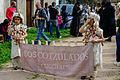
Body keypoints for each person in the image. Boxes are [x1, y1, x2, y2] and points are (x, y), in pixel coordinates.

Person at [79, 12, 104, 79]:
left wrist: (96, 40)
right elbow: (80, 31)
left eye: (90, 19)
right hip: (87, 46)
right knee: (86, 60)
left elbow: (102, 39)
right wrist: (85, 23)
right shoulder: (87, 28)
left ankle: (93, 75)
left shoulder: (98, 30)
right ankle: (85, 73)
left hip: (94, 47)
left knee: (94, 61)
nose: (89, 20)